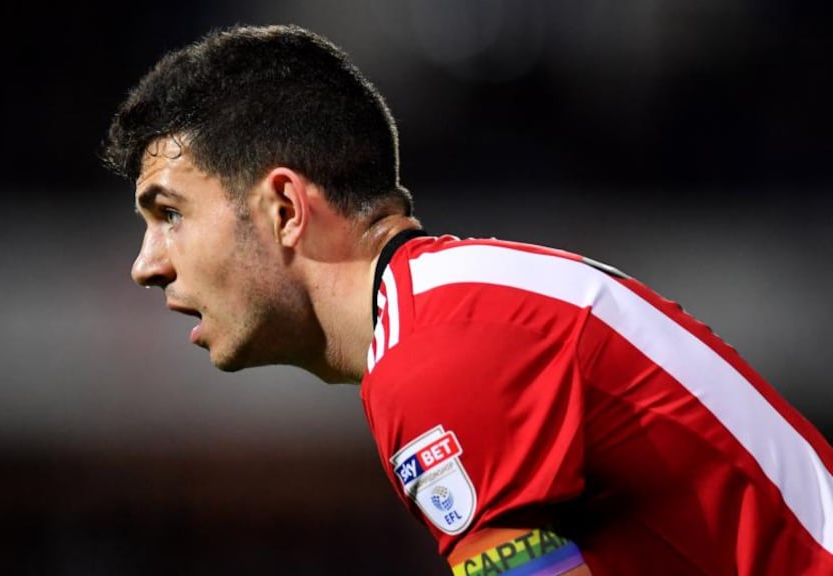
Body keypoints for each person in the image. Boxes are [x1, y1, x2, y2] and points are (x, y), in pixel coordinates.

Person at [100, 23, 833, 575]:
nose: (147, 265)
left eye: (169, 214)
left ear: (286, 208)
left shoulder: (437, 355)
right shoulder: (447, 314)